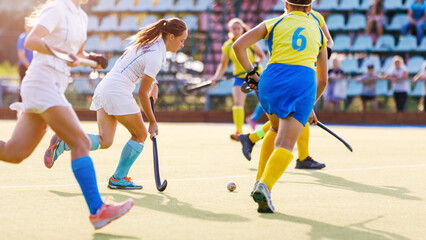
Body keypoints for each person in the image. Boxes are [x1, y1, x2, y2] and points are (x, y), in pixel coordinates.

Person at [0, 0, 133, 230]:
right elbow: (33, 41)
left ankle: (98, 211)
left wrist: (91, 58)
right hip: (42, 82)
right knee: (79, 141)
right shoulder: (57, 8)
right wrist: (61, 54)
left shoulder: (82, 16)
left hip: (52, 85)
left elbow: (76, 53)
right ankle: (98, 210)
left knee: (14, 153)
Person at [43, 18, 188, 190]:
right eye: (181, 40)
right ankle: (118, 178)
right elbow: (142, 93)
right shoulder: (157, 54)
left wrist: (154, 84)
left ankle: (65, 141)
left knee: (105, 141)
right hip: (117, 91)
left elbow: (140, 66)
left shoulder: (148, 43)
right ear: (171, 36)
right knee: (140, 135)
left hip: (105, 88)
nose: (182, 45)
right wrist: (152, 121)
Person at [233, 0, 328, 213]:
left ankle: (259, 180)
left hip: (270, 80)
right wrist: (308, 105)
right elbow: (323, 81)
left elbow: (238, 46)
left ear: (286, 4)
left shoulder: (273, 23)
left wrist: (251, 73)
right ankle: (265, 185)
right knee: (285, 143)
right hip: (302, 83)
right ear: (310, 8)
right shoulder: (319, 33)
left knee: (275, 128)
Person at [237, 8, 333, 170]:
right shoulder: (288, 18)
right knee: (291, 117)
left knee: (285, 120)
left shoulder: (315, 18)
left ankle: (254, 139)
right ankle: (302, 157)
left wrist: (320, 55)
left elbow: (328, 41)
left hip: (306, 68)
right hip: (295, 75)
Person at [208, 18, 266, 141]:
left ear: (242, 29)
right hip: (240, 78)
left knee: (267, 102)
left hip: (256, 76)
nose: (235, 31)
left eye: (238, 28)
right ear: (230, 30)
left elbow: (262, 56)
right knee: (238, 104)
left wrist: (256, 63)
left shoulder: (249, 41)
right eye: (233, 29)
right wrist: (215, 78)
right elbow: (223, 65)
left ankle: (267, 129)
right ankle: (239, 132)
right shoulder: (227, 46)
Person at [17, 20, 34, 85]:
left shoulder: (36, 38)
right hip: (25, 67)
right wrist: (30, 67)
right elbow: (21, 55)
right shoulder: (23, 37)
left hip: (33, 67)